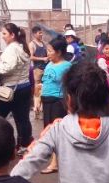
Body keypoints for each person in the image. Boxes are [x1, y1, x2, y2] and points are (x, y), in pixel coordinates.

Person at [0, 23, 34, 155]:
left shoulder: (12, 49)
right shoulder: (22, 47)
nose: (3, 36)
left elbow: (7, 68)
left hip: (10, 90)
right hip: (24, 86)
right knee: (23, 118)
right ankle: (24, 145)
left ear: (12, 35)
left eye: (4, 34)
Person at [39, 37, 72, 174]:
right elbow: (45, 84)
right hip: (46, 101)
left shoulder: (66, 66)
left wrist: (70, 107)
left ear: (58, 52)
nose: (48, 53)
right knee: (49, 132)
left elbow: (69, 88)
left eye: (50, 51)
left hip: (58, 102)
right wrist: (39, 102)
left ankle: (54, 163)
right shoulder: (49, 65)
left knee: (56, 133)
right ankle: (57, 161)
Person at [30, 26, 48, 120]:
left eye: (41, 33)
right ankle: (36, 110)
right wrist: (42, 59)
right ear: (34, 34)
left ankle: (42, 109)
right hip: (37, 70)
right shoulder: (32, 44)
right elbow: (31, 57)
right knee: (37, 92)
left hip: (46, 70)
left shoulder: (44, 44)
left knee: (44, 90)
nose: (41, 34)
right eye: (39, 33)